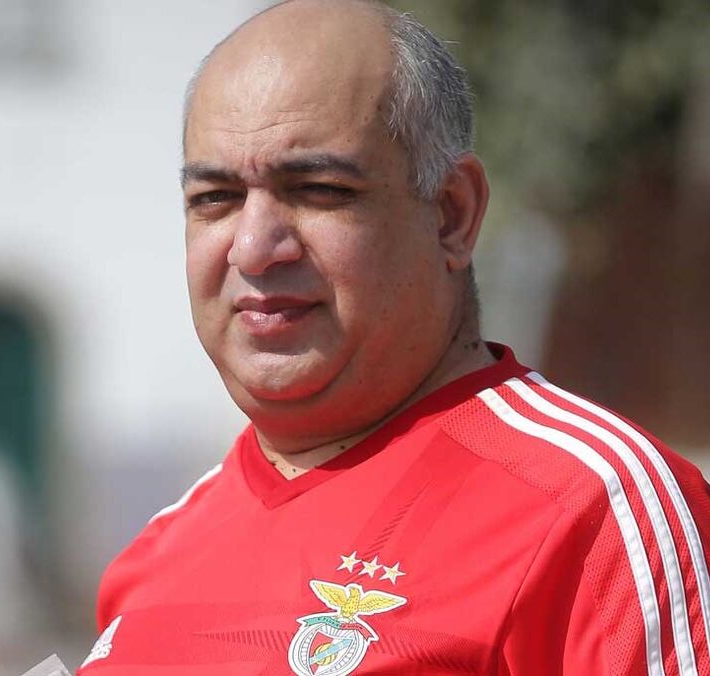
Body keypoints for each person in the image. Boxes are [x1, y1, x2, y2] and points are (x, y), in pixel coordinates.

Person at [76, 1, 710, 674]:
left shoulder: (595, 509)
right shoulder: (158, 552)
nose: (254, 248)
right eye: (215, 199)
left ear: (451, 214)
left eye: (318, 189)